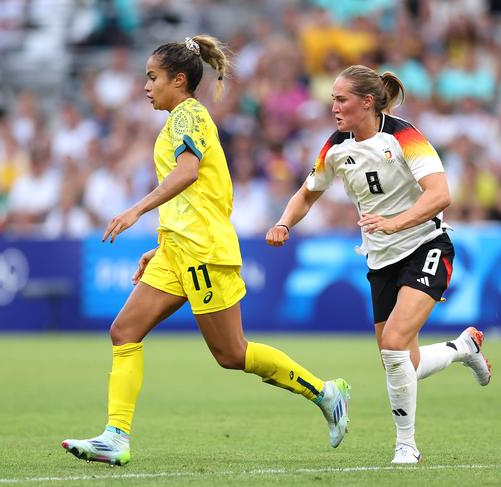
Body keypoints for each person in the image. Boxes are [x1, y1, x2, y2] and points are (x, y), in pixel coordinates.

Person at [61, 35, 351, 466]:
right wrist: (159, 245)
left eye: (152, 77)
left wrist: (136, 210)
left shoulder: (188, 117)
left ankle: (325, 393)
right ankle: (115, 436)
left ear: (179, 80)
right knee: (124, 332)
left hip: (202, 250)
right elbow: (188, 198)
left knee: (231, 354)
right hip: (177, 249)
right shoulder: (177, 120)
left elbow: (188, 174)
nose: (145, 86)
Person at [266, 65, 491, 464]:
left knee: (392, 348)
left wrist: (396, 223)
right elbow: (306, 194)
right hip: (381, 260)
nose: (333, 106)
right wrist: (284, 222)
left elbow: (440, 194)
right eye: (333, 99)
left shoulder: (405, 136)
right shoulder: (335, 146)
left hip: (426, 246)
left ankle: (407, 447)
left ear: (366, 102)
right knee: (406, 361)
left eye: (341, 99)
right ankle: (463, 347)